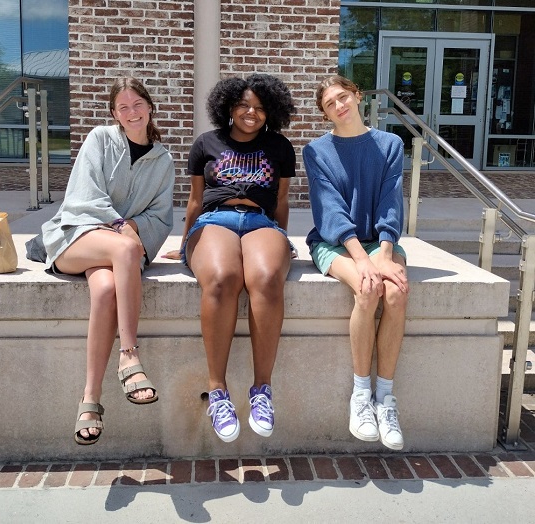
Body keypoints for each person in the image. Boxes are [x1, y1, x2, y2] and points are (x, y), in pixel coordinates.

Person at [41, 77, 175, 445]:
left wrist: (132, 225)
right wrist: (122, 228)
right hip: (76, 237)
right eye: (123, 108)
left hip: (115, 251)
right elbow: (83, 197)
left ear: (150, 107)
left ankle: (90, 399)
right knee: (126, 249)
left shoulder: (163, 160)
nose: (132, 113)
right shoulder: (100, 139)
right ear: (114, 114)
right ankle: (129, 355)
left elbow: (162, 217)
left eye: (137, 105)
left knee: (103, 292)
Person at [164, 74, 296, 442]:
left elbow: (281, 201)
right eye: (243, 105)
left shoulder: (280, 146)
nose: (251, 113)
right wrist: (186, 241)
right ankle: (218, 391)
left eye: (259, 107)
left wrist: (280, 239)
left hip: (260, 222)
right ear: (228, 107)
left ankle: (262, 391)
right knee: (222, 279)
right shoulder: (207, 143)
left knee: (267, 277)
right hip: (214, 219)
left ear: (271, 111)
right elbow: (194, 199)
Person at [303, 75, 409, 451]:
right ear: (324, 113)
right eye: (330, 104)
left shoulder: (390, 144)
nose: (339, 106)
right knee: (368, 289)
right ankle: (361, 396)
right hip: (335, 242)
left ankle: (386, 399)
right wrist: (362, 260)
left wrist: (383, 251)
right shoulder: (316, 150)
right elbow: (328, 208)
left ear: (358, 96)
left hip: (380, 241)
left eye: (343, 97)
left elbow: (391, 201)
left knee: (395, 293)